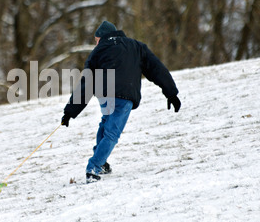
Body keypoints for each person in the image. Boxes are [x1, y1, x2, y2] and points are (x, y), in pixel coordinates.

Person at [62, 21, 181, 183]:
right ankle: (94, 167)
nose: (96, 43)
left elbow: (87, 83)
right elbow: (156, 69)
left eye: (97, 39)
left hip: (105, 94)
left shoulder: (98, 51)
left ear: (102, 37)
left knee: (106, 125)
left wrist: (70, 111)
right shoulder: (136, 47)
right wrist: (171, 93)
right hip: (125, 95)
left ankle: (100, 163)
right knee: (111, 132)